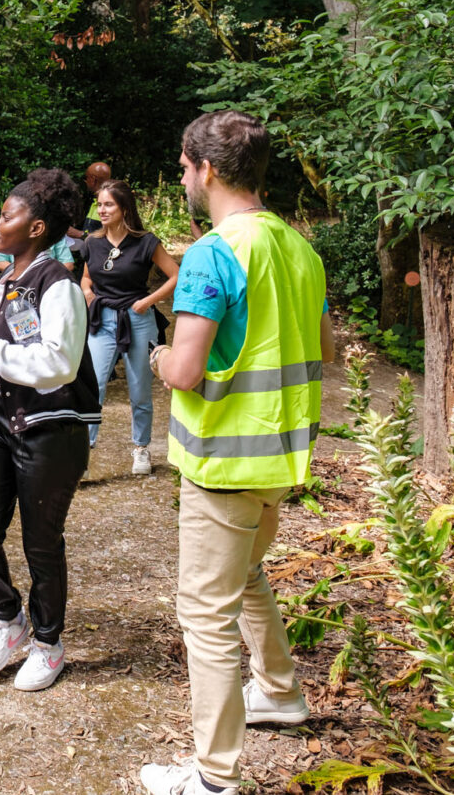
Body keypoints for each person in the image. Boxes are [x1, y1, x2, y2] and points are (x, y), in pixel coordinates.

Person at [139, 111, 333, 795]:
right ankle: (278, 691)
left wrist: (160, 352)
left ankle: (214, 780)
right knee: (245, 577)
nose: (185, 177)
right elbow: (324, 351)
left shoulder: (214, 255)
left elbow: (186, 371)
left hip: (223, 463)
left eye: (186, 167)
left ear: (208, 170)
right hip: (280, 459)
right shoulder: (299, 248)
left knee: (204, 614)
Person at [0, 169, 99, 692]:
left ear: (35, 228)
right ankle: (8, 620)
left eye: (7, 215)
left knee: (41, 542)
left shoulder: (59, 286)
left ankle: (48, 644)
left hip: (49, 429)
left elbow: (57, 364)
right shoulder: (6, 281)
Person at [77, 180, 181, 474]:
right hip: (102, 321)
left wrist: (148, 301)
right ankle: (83, 454)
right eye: (99, 204)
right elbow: (87, 278)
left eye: (108, 204)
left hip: (137, 319)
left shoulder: (146, 241)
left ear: (124, 208)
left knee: (139, 390)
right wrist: (87, 292)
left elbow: (175, 275)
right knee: (91, 387)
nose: (102, 209)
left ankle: (141, 449)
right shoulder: (92, 242)